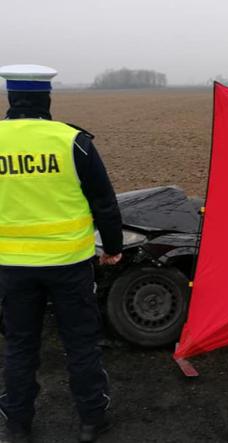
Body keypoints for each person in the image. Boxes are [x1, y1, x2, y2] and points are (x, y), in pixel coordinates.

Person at [0, 64, 122, 442]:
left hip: (11, 267)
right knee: (81, 342)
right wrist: (113, 248)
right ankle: (90, 421)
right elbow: (104, 202)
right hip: (70, 265)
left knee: (20, 345)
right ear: (47, 98)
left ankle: (17, 424)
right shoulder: (74, 141)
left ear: (9, 98)